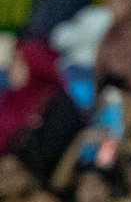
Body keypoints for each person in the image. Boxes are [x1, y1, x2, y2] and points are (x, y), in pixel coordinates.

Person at [0, 40, 84, 184]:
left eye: (19, 64)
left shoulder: (58, 106)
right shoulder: (9, 103)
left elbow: (47, 157)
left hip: (39, 183)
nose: (11, 69)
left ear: (35, 66)